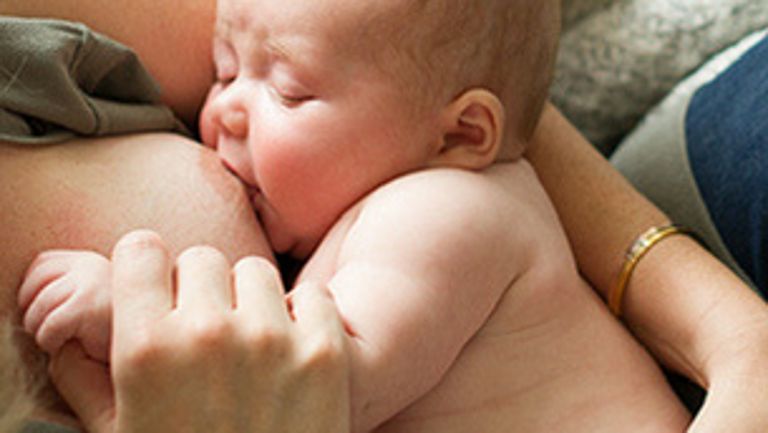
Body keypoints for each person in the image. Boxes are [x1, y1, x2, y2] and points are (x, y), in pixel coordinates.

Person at [1, 1, 767, 432]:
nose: (223, 107)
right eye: (226, 68)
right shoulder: (386, 195)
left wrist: (124, 307)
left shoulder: (449, 213)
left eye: (289, 92)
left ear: (461, 133)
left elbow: (316, 374)